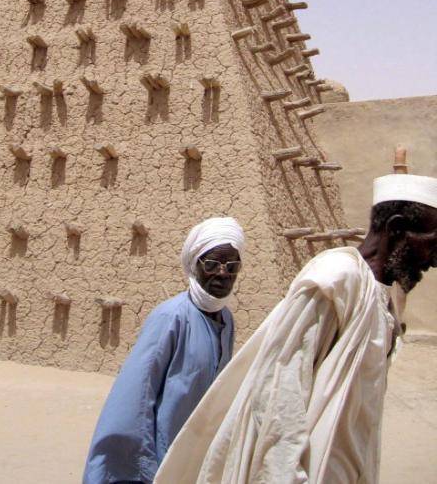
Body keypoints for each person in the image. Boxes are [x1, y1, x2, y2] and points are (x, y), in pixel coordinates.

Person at [154, 173, 437, 484]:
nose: (433, 259)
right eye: (431, 242)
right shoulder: (335, 280)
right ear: (395, 228)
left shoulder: (382, 298)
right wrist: (284, 474)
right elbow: (281, 387)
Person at [82, 216, 246, 484]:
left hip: (200, 461)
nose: (223, 273)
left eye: (232, 265)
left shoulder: (226, 321)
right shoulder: (172, 317)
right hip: (162, 462)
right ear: (196, 265)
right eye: (213, 263)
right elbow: (135, 397)